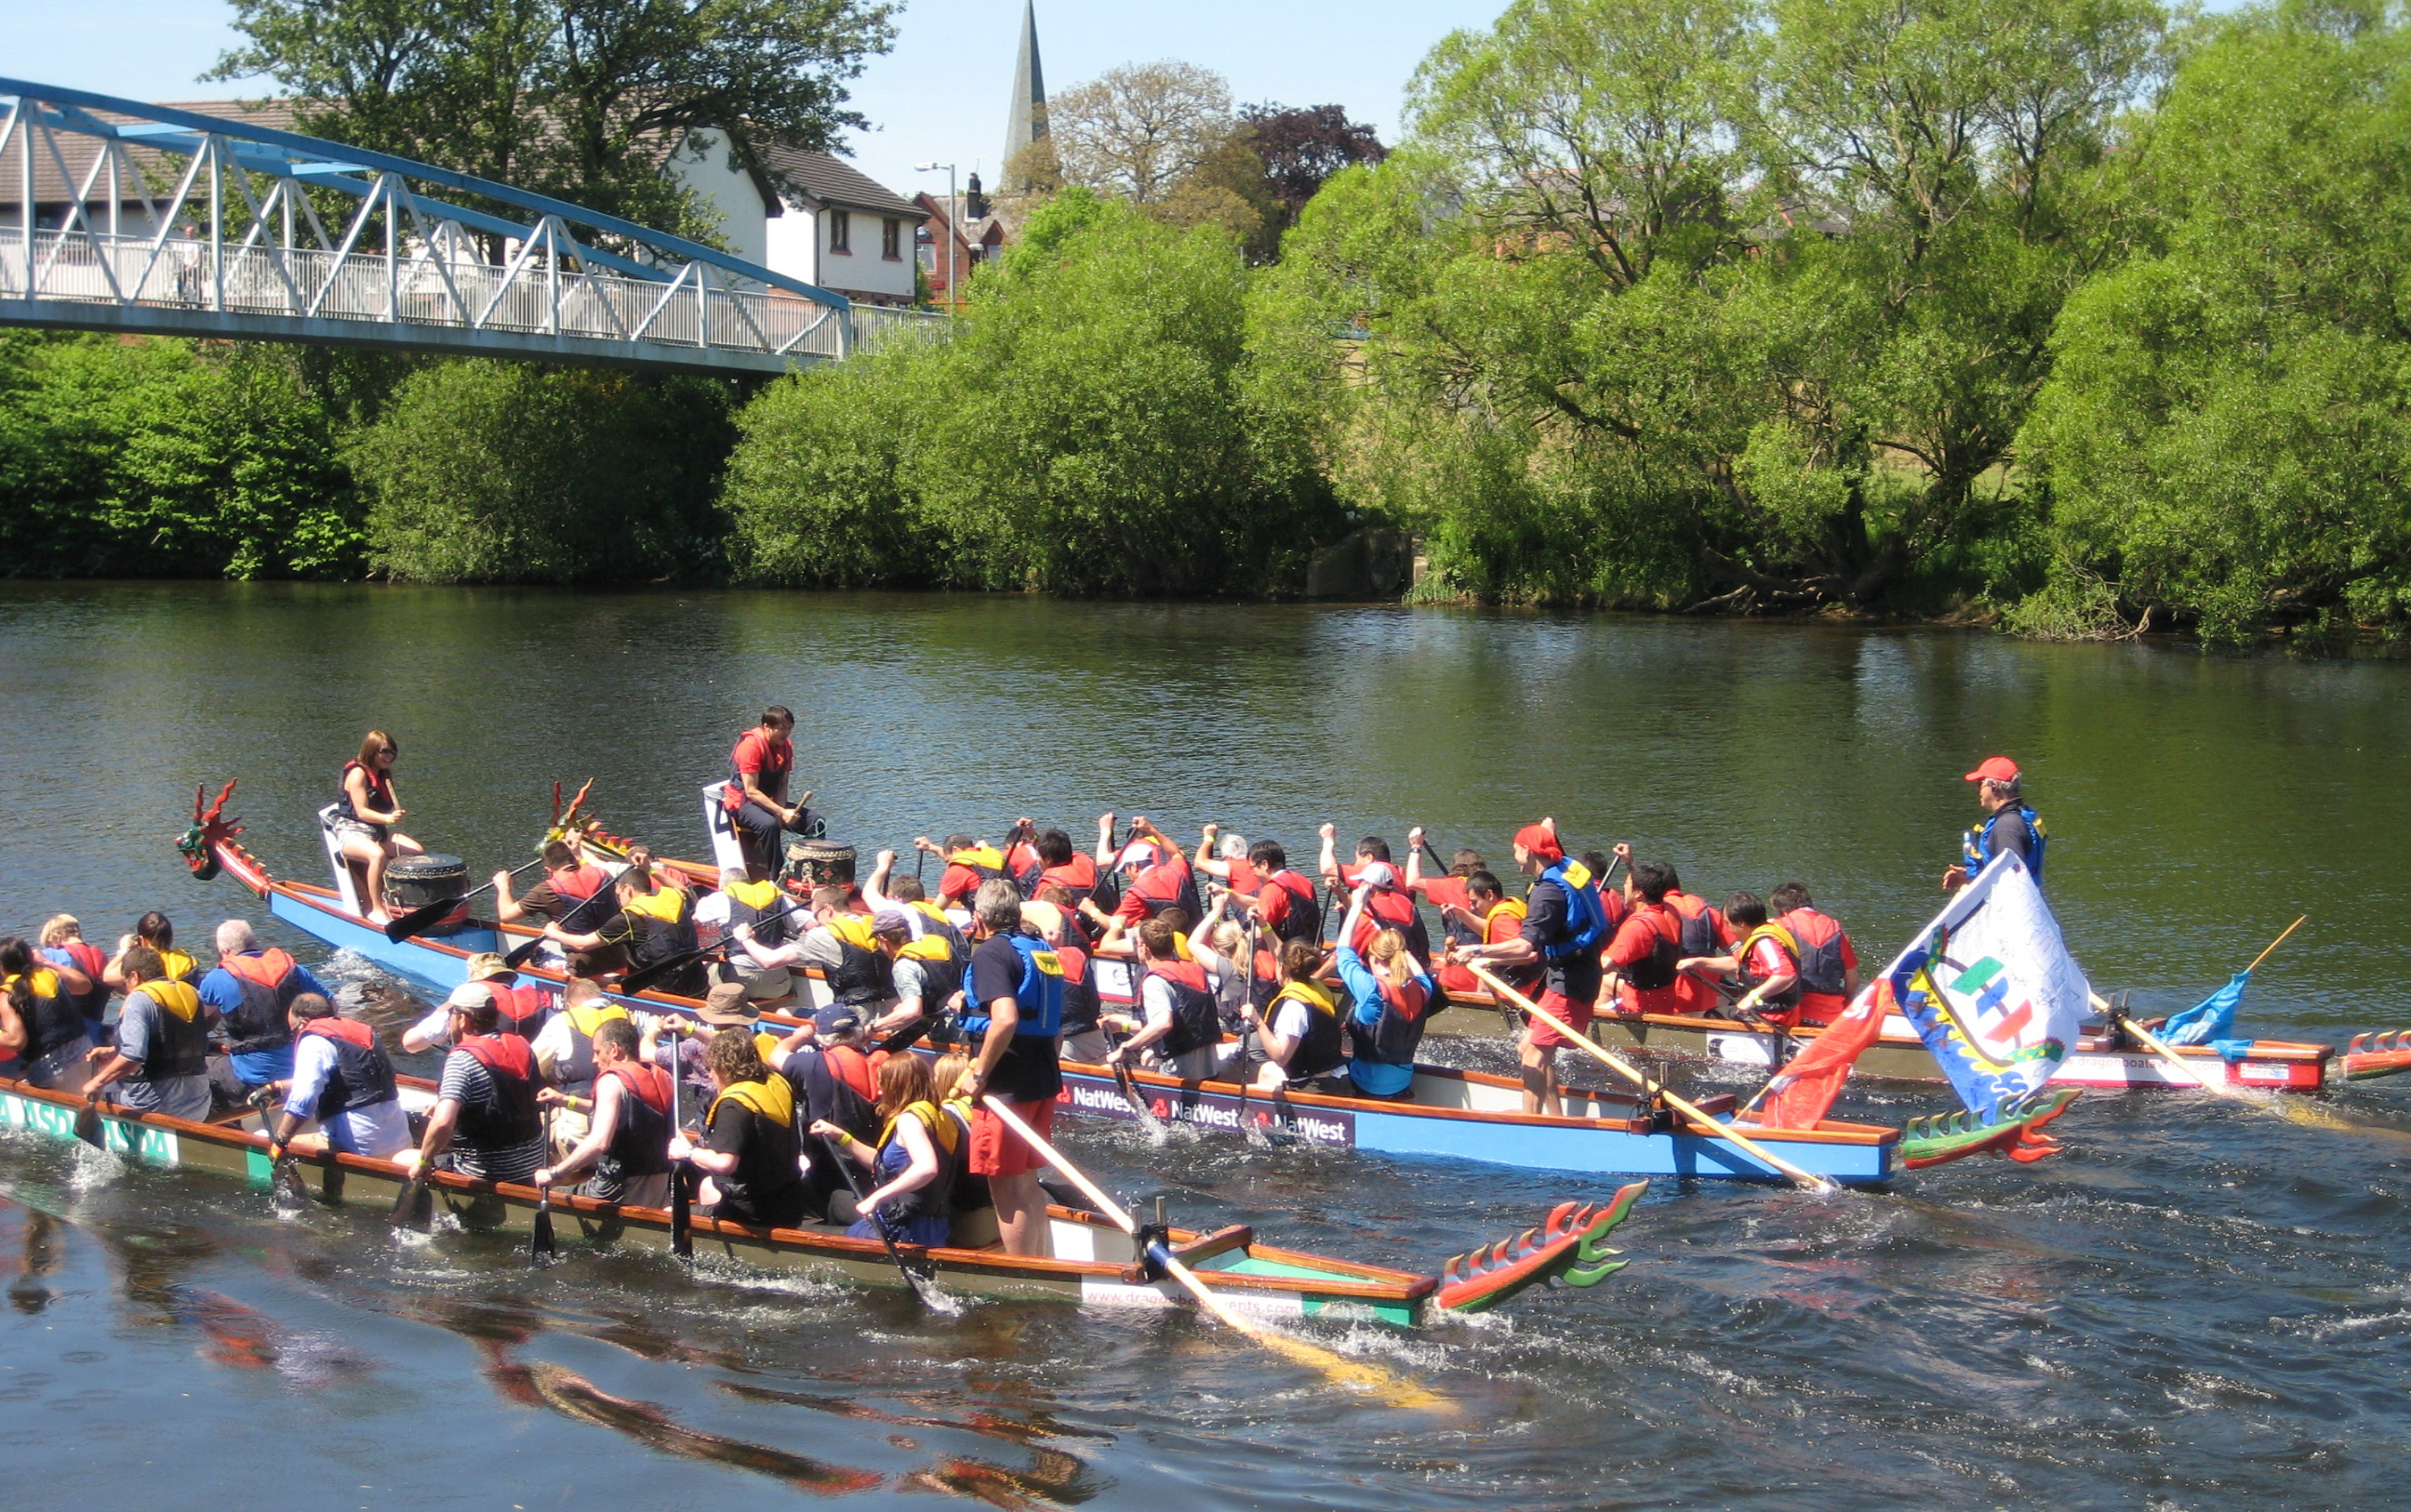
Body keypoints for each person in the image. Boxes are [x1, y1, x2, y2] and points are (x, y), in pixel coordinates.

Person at [1447, 821, 1608, 1116]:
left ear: (1528, 851)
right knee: (1530, 1050)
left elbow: (1525, 948)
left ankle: (1531, 1122)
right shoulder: (1564, 868)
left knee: (1533, 1057)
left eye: (1515, 851)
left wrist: (1476, 949)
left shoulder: (1547, 894)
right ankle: (1555, 1118)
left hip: (1571, 980)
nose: (1513, 857)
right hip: (1565, 971)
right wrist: (1550, 829)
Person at [956, 880, 1063, 1257]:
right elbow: (1054, 1026)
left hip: (1005, 1084)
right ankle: (1041, 1261)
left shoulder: (991, 954)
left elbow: (1004, 1019)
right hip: (1043, 1075)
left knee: (1004, 1187)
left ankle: (1022, 1271)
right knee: (1027, 1183)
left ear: (979, 917)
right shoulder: (1041, 949)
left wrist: (979, 1073)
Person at [401, 988, 548, 1186]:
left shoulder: (462, 1059)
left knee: (401, 1158)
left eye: (451, 1015)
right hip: (532, 1166)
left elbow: (443, 1123)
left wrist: (423, 1161)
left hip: (482, 1172)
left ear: (463, 1019)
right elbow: (507, 1095)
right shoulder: (521, 1045)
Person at [815, 1053, 961, 1248]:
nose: (880, 1092)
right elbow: (884, 1163)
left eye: (883, 1084)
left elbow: (927, 1168)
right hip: (934, 1226)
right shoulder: (941, 1116)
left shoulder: (909, 1121)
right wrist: (841, 1136)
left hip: (903, 1228)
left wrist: (876, 1198)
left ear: (897, 1086)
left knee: (828, 1216)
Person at [673, 1028, 808, 1228]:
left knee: (669, 1213)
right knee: (708, 1186)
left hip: (753, 1213)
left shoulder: (734, 1105)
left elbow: (725, 1164)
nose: (710, 1075)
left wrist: (687, 1152)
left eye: (711, 1068)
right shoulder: (776, 1081)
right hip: (789, 1203)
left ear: (724, 1068)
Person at [535, 1018, 674, 1209]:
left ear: (614, 1050)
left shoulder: (611, 1081)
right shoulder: (660, 1076)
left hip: (616, 1190)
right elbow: (623, 1111)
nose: (594, 1059)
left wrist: (554, 1173)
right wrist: (565, 1100)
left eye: (597, 1051)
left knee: (548, 1192)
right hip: (657, 1189)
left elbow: (599, 1142)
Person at [269, 992, 410, 1160]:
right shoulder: (365, 1032)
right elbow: (352, 1080)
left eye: (293, 1032)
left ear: (303, 1023)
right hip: (400, 1137)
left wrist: (281, 1140)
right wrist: (279, 1087)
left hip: (360, 1146)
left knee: (278, 1142)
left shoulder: (314, 1040)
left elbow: (304, 1098)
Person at [84, 945, 216, 1121]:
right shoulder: (191, 992)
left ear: (134, 976)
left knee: (97, 1091)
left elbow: (133, 1057)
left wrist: (96, 1083)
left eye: (125, 982)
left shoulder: (139, 999)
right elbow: (173, 1035)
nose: (126, 989)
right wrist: (112, 1051)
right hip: (199, 1104)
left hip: (154, 1108)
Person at [197, 920, 328, 1092]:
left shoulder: (216, 979)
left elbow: (199, 1019)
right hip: (301, 1069)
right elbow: (330, 1006)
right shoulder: (293, 970)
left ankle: (227, 1116)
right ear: (254, 943)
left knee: (203, 1066)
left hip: (253, 1077)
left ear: (225, 952)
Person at [1333, 883, 1436, 1101]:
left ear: (1375, 957)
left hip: (1367, 1084)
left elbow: (1342, 950)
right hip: (1403, 1081)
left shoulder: (1371, 990)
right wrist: (1400, 947)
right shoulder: (1423, 989)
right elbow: (1421, 974)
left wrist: (1356, 907)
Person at [1109, 916, 1224, 1081]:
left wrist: (1126, 1048)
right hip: (1210, 1066)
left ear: (1145, 949)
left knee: (1114, 1068)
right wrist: (1125, 1025)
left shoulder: (1155, 981)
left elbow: (1163, 1023)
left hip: (1179, 1071)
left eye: (1138, 943)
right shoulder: (1195, 969)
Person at [498, 842, 627, 977]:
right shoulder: (604, 875)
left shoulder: (546, 890)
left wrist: (503, 887)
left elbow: (506, 916)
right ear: (575, 860)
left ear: (548, 870)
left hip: (582, 970)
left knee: (534, 958)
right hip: (619, 963)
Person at [530, 976, 630, 1150]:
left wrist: (553, 1080)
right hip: (627, 1117)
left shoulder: (562, 1021)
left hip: (580, 1124)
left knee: (538, 1134)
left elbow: (532, 1063)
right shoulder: (629, 1018)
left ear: (569, 1005)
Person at [334, 731, 422, 922]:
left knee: (417, 852)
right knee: (377, 855)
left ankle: (401, 901)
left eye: (392, 752)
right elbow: (361, 812)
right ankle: (377, 909)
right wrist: (389, 819)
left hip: (376, 833)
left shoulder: (383, 775)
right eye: (384, 751)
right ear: (371, 750)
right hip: (351, 833)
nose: (389, 756)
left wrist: (389, 819)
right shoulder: (358, 774)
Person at [1677, 893, 1803, 1026]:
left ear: (1741, 923)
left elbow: (1786, 975)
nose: (1728, 929)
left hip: (1770, 1016)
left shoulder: (1765, 943)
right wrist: (1698, 962)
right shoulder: (1765, 933)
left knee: (1705, 1017)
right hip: (1769, 1011)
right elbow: (1735, 963)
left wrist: (1752, 998)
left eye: (1727, 923)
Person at [1240, 939, 1347, 1090]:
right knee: (1266, 1070)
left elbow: (1281, 1057)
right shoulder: (1317, 987)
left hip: (1314, 1086)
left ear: (1281, 967)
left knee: (1249, 1090)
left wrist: (1257, 1021)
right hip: (1335, 1074)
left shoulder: (1293, 1006)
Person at [1, 936, 98, 1093]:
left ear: (2, 967)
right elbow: (85, 985)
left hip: (51, 1068)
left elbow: (16, 1041)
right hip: (84, 1052)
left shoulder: (7, 995)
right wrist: (47, 962)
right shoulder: (50, 975)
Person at [725, 706, 809, 882]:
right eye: (782, 728)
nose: (786, 732)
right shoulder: (750, 747)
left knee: (815, 823)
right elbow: (751, 791)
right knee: (769, 824)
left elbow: (782, 784)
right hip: (743, 803)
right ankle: (776, 878)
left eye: (789, 728)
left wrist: (783, 810)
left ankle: (809, 873)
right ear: (767, 727)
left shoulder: (786, 747)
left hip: (769, 802)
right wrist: (780, 812)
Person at [400, 953, 544, 1052]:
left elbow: (411, 1044)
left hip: (478, 1076)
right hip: (526, 1083)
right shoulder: (537, 1000)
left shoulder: (464, 1001)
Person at [1602, 861, 1689, 1023]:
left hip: (1638, 1010)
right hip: (1664, 1002)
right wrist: (1629, 862)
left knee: (1596, 983)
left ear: (1639, 893)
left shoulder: (1638, 927)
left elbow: (1605, 965)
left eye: (1627, 883)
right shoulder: (1670, 912)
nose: (1623, 886)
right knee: (1607, 981)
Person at [699, 868, 801, 1003]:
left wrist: (701, 904)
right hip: (779, 985)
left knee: (704, 968)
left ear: (722, 887)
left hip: (740, 984)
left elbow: (698, 917)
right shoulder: (778, 897)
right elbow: (807, 922)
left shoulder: (722, 896)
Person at [1947, 756, 2047, 889]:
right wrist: (1972, 878)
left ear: (1994, 788)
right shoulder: (2016, 818)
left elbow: (2013, 883)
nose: (1977, 790)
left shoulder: (2007, 827)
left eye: (1980, 784)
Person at [1769, 882, 1861, 1027]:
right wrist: (1847, 1005)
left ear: (1782, 911)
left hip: (1796, 1015)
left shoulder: (1778, 926)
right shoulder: (1835, 928)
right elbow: (1853, 980)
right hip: (1831, 1016)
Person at [1433, 869, 1530, 998]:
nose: (1472, 908)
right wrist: (1460, 913)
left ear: (1490, 895)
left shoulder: (1503, 920)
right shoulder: (1505, 908)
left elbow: (1528, 954)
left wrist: (1487, 960)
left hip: (1516, 994)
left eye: (1474, 902)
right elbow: (1490, 931)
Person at [1107, 819, 1204, 924]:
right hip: (1195, 934)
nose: (1126, 874)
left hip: (1164, 939)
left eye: (1125, 869)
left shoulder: (1137, 893)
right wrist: (1152, 830)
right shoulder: (1176, 870)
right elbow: (1175, 853)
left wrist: (1092, 910)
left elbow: (1114, 924)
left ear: (1134, 866)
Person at [1405, 829, 1488, 951]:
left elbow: (1412, 882)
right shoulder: (1488, 885)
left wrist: (1416, 847)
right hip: (1486, 949)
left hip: (1461, 953)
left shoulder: (1451, 885)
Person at [1232, 841, 1322, 947]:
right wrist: (1231, 895)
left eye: (1253, 868)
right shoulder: (1303, 880)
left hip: (1288, 955)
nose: (1252, 873)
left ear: (1264, 864)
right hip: (1312, 947)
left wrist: (1235, 937)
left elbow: (1259, 933)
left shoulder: (1272, 889)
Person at [37, 917, 112, 1030]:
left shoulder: (50, 955)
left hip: (67, 1032)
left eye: (48, 943)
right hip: (96, 1027)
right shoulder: (101, 956)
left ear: (55, 938)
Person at [104, 912, 202, 991]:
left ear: (141, 940)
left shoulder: (140, 961)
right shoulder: (186, 958)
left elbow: (107, 977)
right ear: (171, 938)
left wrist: (124, 951)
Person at [919, 833, 1010, 910]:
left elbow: (937, 910)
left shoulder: (958, 869)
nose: (949, 864)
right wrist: (930, 847)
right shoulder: (993, 855)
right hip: (1011, 914)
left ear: (955, 850)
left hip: (986, 921)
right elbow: (959, 857)